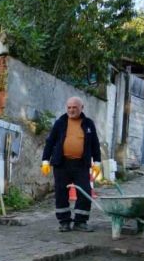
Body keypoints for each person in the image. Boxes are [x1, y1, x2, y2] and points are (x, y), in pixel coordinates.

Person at [41, 97, 102, 232]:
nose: (71, 110)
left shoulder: (88, 124)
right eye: (69, 107)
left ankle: (80, 222)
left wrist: (97, 163)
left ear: (81, 108)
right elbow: (50, 142)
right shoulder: (60, 123)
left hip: (81, 165)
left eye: (74, 107)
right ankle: (64, 222)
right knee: (61, 192)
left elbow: (95, 145)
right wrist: (45, 160)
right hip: (62, 164)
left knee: (85, 192)